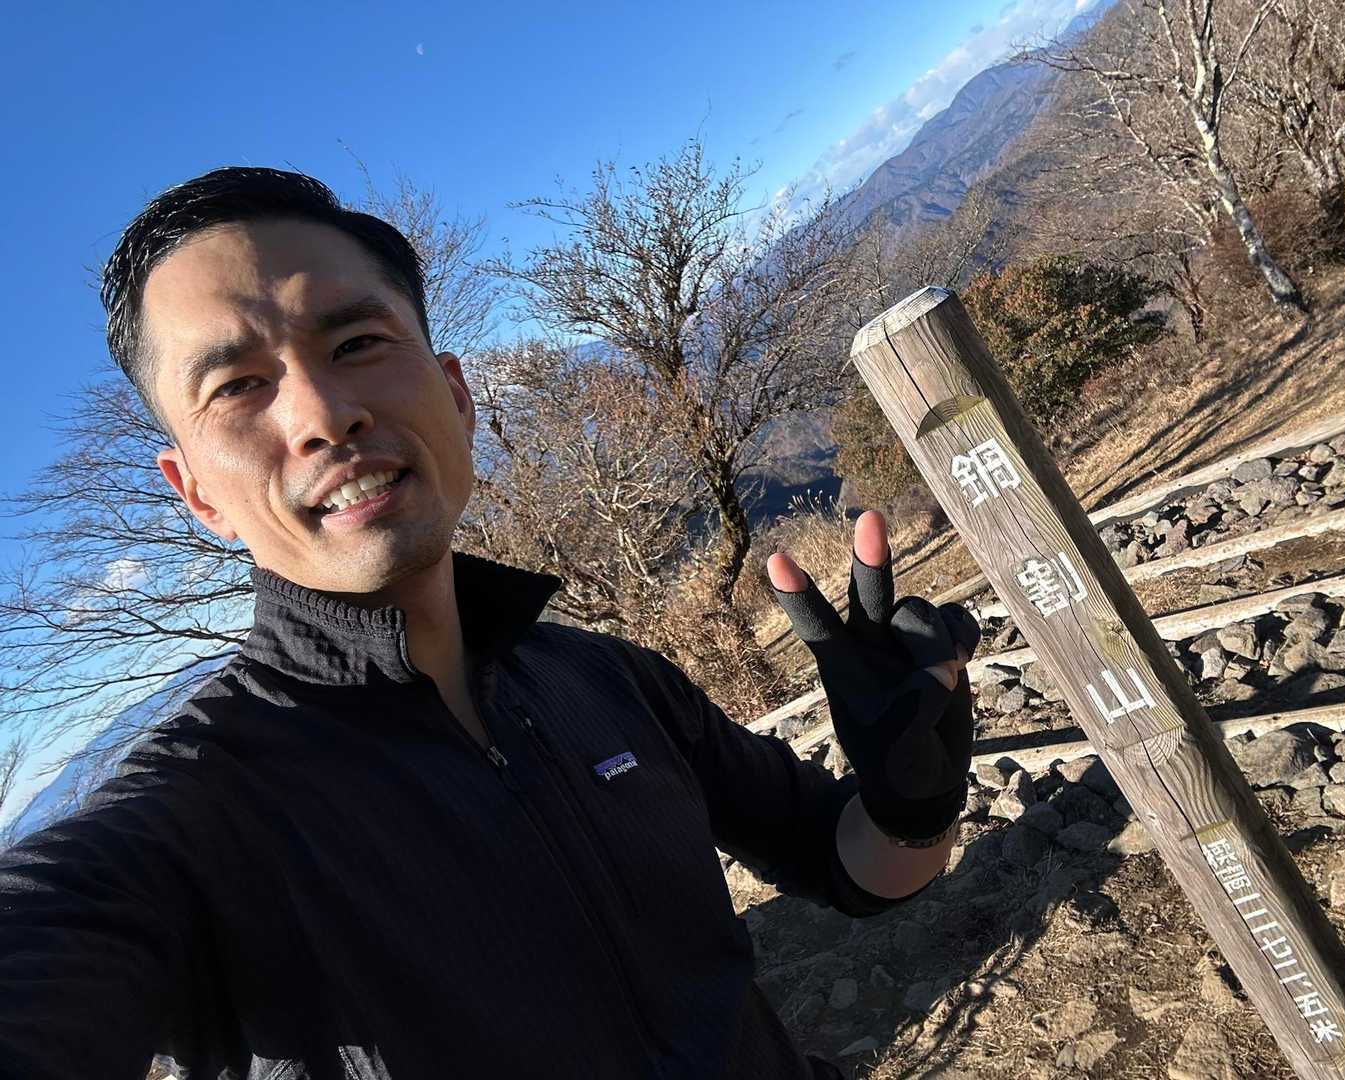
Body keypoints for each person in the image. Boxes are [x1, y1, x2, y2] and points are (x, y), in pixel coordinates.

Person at [0, 167, 980, 1079]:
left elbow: (853, 869)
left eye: (357, 343)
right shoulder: (192, 818)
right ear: (197, 494)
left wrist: (911, 801)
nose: (323, 414)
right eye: (237, 386)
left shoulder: (608, 681)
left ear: (459, 396)